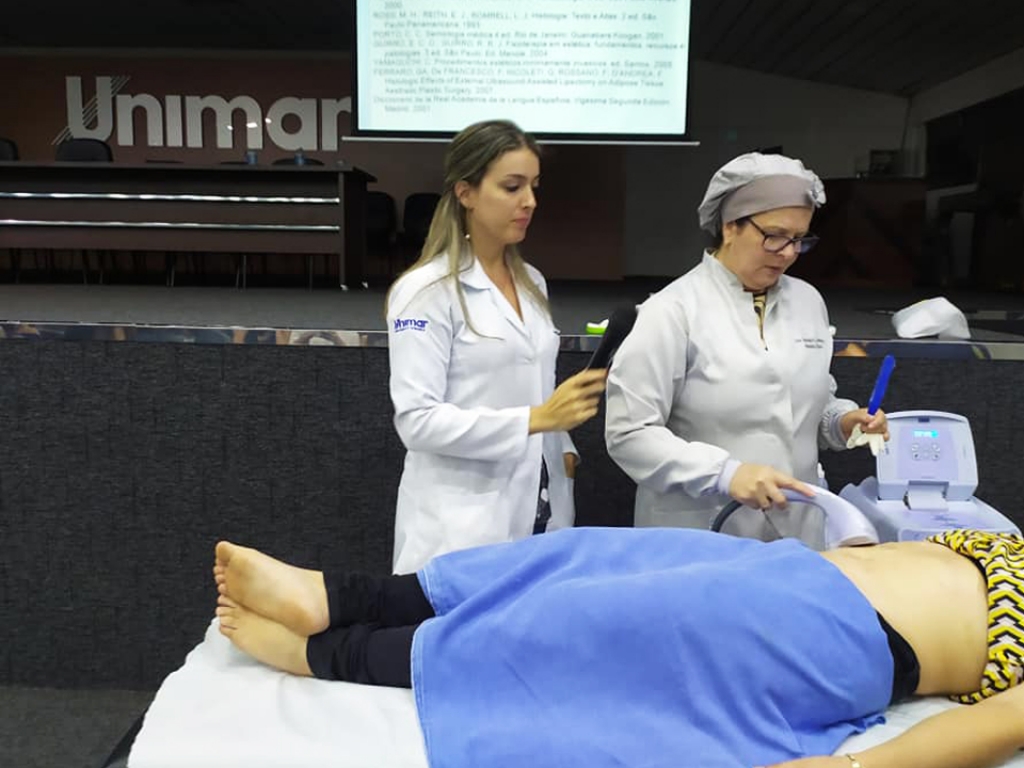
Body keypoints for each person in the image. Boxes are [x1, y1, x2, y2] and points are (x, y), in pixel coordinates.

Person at [214, 526, 1024, 768]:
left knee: (580, 629)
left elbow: (990, 728)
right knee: (582, 556)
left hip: (840, 640)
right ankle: (339, 596)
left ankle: (331, 654)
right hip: (802, 572)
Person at [604, 152, 889, 545]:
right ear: (729, 227)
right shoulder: (672, 311)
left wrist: (842, 421)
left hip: (797, 529)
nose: (788, 253)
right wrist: (724, 473)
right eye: (774, 236)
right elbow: (630, 434)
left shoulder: (808, 302)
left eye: (799, 239)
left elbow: (809, 402)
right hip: (700, 530)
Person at [385, 119, 607, 573]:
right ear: (466, 192)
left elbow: (533, 387)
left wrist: (561, 445)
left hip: (540, 505)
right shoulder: (425, 292)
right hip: (460, 521)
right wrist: (537, 420)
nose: (530, 201)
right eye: (512, 187)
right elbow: (417, 423)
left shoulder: (532, 283)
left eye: (533, 186)